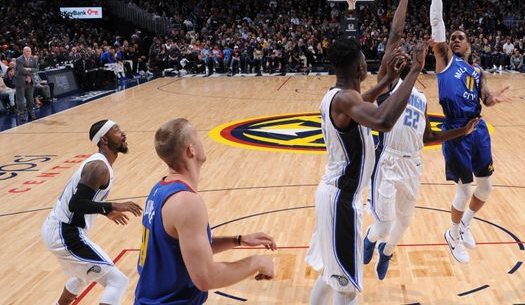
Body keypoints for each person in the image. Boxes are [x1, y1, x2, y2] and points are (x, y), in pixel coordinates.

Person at [361, 0, 480, 280]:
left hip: (413, 164)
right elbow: (394, 36)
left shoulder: (420, 98)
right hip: (387, 162)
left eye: (413, 52)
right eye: (403, 53)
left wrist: (461, 131)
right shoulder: (388, 86)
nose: (406, 53)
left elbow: (428, 137)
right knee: (384, 223)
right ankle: (372, 239)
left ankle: (386, 253)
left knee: (404, 221)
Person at [306, 36, 428, 305]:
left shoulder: (337, 96)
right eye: (364, 60)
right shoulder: (347, 101)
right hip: (341, 200)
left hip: (333, 195)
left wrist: (387, 82)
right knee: (346, 288)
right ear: (360, 69)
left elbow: (364, 99)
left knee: (331, 275)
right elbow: (383, 121)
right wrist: (415, 71)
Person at [425, 0, 513, 264]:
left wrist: (493, 99)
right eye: (453, 38)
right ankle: (452, 233)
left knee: (486, 186)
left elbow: (484, 99)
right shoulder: (446, 61)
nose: (455, 39)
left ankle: (464, 226)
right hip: (456, 130)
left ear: (470, 45)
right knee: (464, 189)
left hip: (478, 129)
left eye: (460, 37)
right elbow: (437, 24)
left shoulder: (476, 71)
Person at [135, 118, 276, 304]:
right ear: (190, 150)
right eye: (198, 137)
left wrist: (239, 240)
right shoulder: (186, 202)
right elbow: (205, 278)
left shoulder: (160, 188)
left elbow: (186, 251)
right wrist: (257, 262)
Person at [40, 120, 143, 305]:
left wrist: (105, 211)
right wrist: (111, 206)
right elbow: (76, 203)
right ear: (104, 139)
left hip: (60, 229)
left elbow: (85, 199)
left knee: (82, 276)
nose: (123, 134)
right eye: (117, 131)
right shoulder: (99, 168)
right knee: (117, 281)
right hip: (65, 233)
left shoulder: (101, 165)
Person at [15, 46, 38, 123]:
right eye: (27, 51)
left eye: (30, 51)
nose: (29, 53)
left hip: (30, 81)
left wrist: (29, 69)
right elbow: (21, 70)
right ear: (23, 52)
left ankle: (31, 114)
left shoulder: (33, 59)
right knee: (21, 100)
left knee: (30, 99)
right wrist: (31, 71)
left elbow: (37, 69)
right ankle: (21, 116)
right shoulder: (19, 59)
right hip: (20, 82)